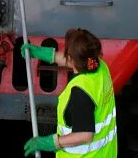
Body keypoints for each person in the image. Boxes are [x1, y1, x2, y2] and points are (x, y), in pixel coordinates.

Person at [21, 29, 117, 157]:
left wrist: (51, 142)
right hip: (105, 153)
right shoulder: (100, 67)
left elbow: (85, 135)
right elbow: (75, 60)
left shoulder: (81, 92)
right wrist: (45, 54)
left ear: (71, 58)